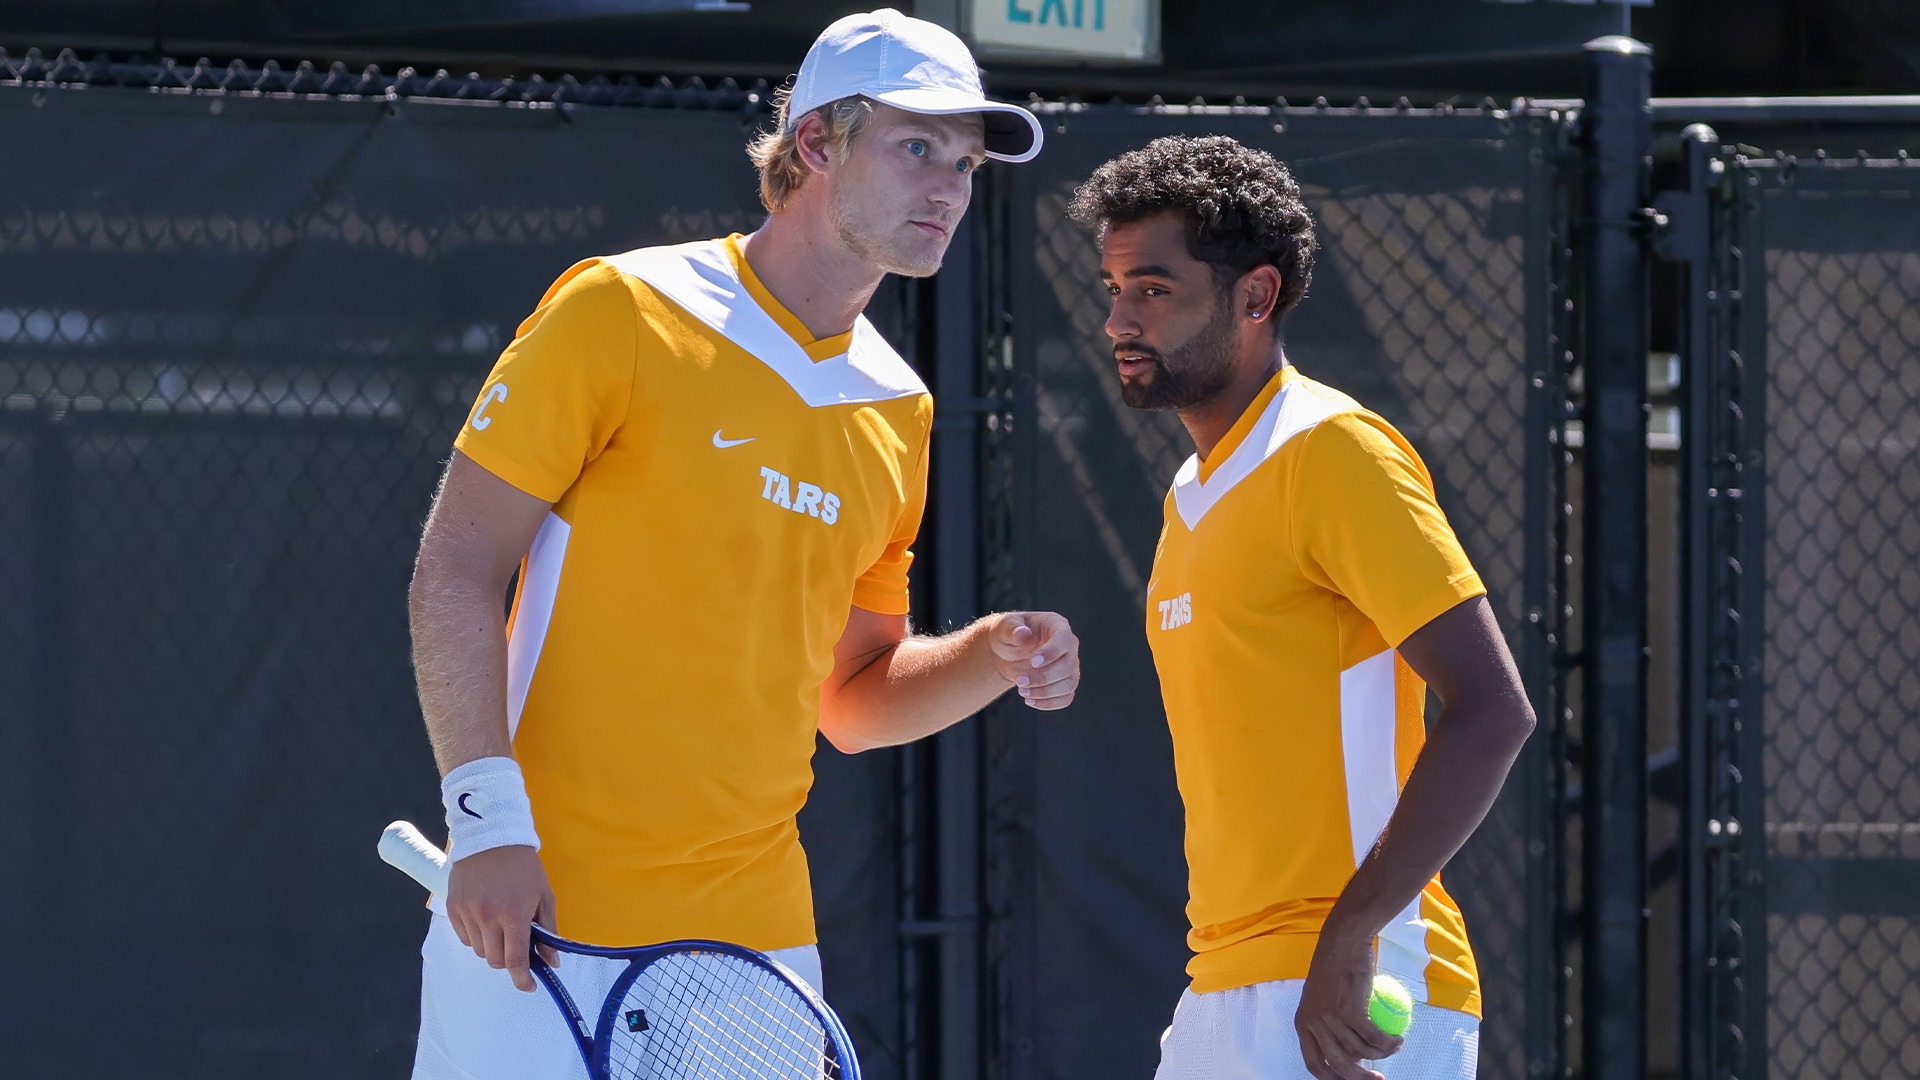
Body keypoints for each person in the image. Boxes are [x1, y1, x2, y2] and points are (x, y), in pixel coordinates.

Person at [405, 10, 1078, 1077]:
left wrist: (986, 654)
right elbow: (454, 569)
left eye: (965, 162)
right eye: (917, 149)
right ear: (816, 143)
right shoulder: (620, 309)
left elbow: (851, 698)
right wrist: (486, 822)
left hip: (752, 947)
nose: (950, 187)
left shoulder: (898, 410)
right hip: (533, 914)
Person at [1067, 135, 1536, 1080]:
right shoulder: (1190, 497)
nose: (1120, 318)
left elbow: (1494, 709)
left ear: (1256, 296)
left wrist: (1354, 935)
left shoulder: (1334, 452)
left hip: (1356, 992)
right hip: (1224, 985)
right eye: (1114, 288)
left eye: (1153, 289)